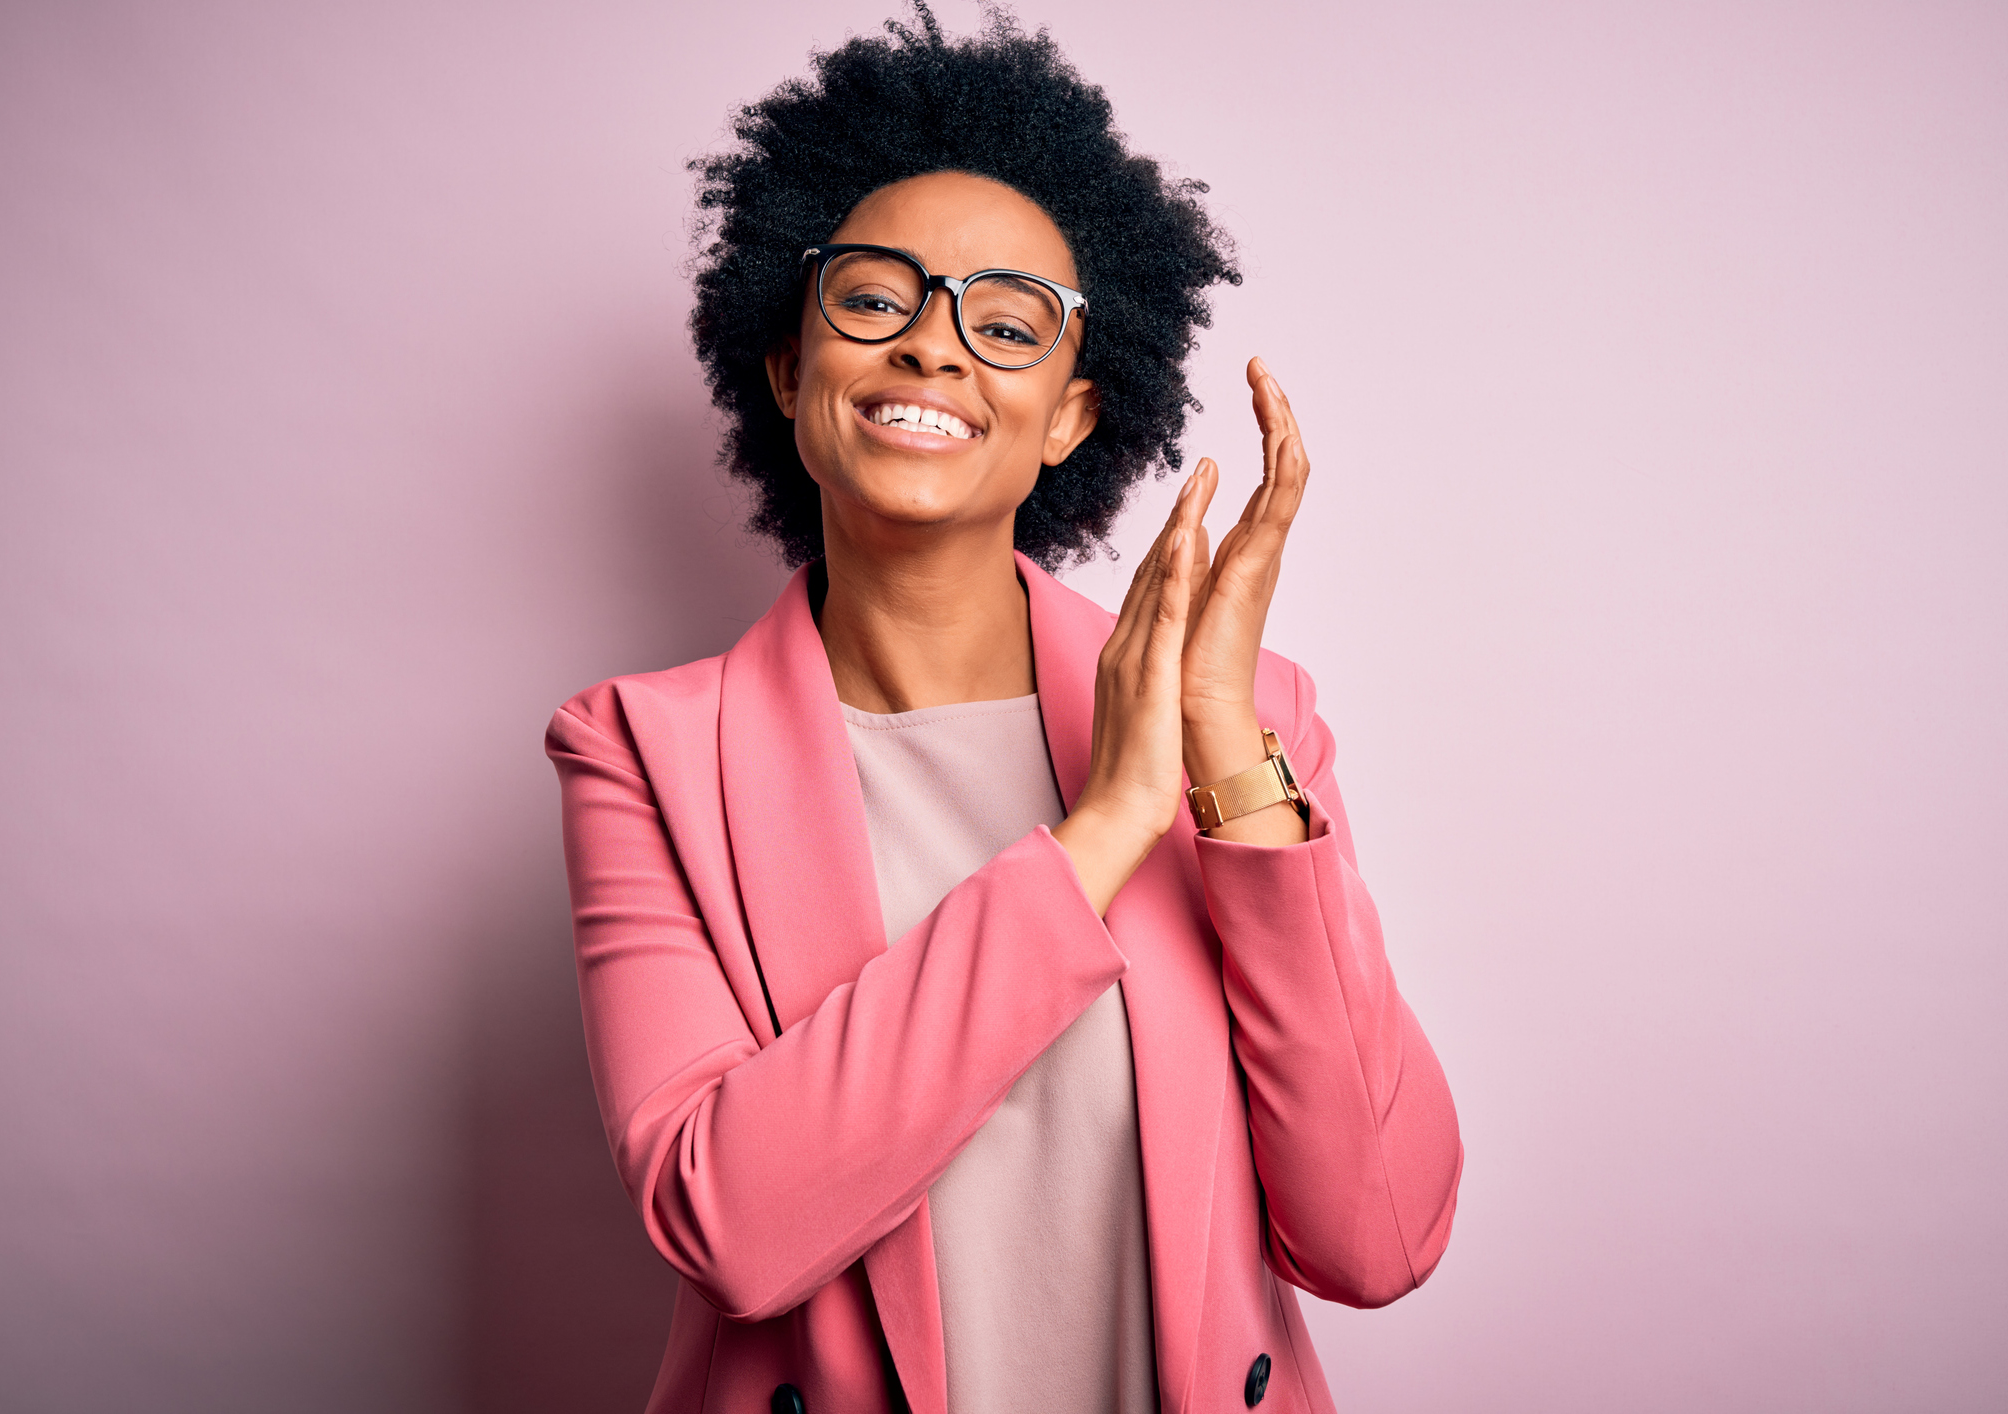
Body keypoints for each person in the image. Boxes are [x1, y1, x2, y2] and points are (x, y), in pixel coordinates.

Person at [546, 9, 1462, 1412]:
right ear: (789, 370)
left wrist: (1221, 755)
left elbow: (1377, 1235)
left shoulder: (1251, 729)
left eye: (1004, 321)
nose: (930, 348)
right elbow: (732, 1225)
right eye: (872, 298)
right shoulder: (641, 752)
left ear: (1071, 413)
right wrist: (1098, 836)